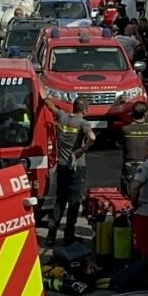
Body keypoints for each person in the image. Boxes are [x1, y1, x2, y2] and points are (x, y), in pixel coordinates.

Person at [47, 95, 95, 249]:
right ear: (85, 110)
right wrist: (83, 149)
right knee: (74, 201)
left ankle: (51, 235)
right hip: (76, 167)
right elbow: (92, 137)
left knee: (60, 200)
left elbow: (50, 106)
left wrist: (44, 97)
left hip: (62, 165)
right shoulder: (83, 123)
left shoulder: (62, 117)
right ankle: (68, 235)